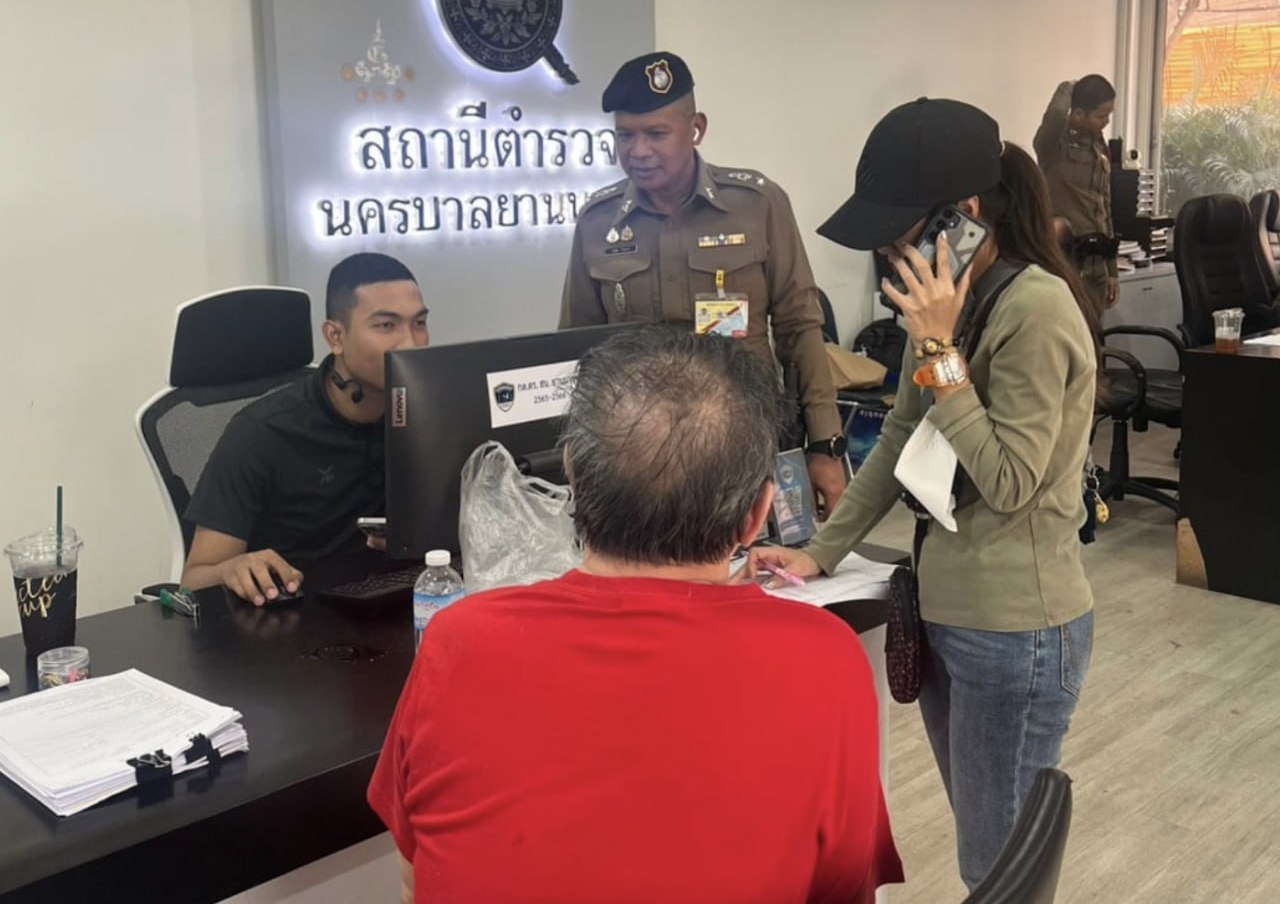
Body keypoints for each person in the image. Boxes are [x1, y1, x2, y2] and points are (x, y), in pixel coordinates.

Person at [368, 326, 903, 904]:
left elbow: (415, 877)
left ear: (573, 480)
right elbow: (844, 891)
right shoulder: (824, 659)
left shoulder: (459, 640)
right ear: (758, 514)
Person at [750, 98, 1099, 891]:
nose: (888, 259)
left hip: (1017, 627)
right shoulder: (940, 308)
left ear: (963, 217)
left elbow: (1008, 481)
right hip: (950, 611)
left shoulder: (1035, 310)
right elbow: (903, 441)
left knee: (997, 869)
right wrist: (819, 552)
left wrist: (941, 351)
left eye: (899, 239)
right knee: (987, 849)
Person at [560, 50, 847, 519]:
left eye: (656, 134)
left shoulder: (757, 205)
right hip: (637, 457)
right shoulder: (599, 221)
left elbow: (800, 328)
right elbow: (577, 347)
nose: (638, 151)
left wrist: (825, 444)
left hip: (745, 446)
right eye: (625, 135)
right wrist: (575, 452)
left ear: (696, 129)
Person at [181, 252, 429, 605]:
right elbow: (193, 581)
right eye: (386, 326)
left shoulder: (430, 413)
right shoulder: (262, 432)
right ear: (335, 336)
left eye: (419, 323)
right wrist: (231, 569)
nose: (411, 343)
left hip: (401, 603)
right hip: (294, 617)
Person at [1034, 74, 1118, 314]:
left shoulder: (1099, 147)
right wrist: (1069, 86)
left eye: (1109, 115)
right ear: (1079, 114)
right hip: (1065, 264)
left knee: (1094, 335)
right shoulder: (1054, 145)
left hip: (1096, 265)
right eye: (1101, 116)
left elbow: (1104, 209)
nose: (1106, 122)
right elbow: (1055, 115)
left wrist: (1112, 271)